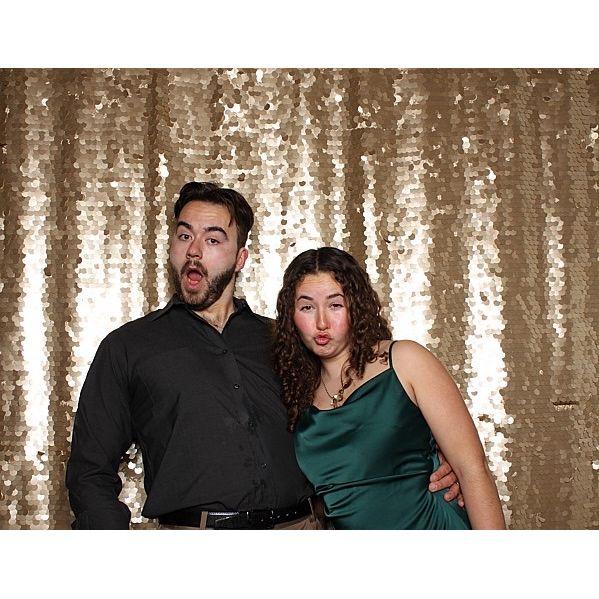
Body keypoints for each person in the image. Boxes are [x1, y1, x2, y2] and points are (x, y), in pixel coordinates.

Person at [66, 182, 462, 529]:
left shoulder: (290, 341)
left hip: (302, 532)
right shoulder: (128, 347)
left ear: (240, 258)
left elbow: (362, 415)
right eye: (184, 236)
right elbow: (90, 472)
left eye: (213, 240)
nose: (194, 251)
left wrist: (436, 456)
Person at [274, 246, 506, 529]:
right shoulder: (297, 394)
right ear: (291, 316)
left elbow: (472, 469)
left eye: (335, 305)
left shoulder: (405, 361)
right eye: (307, 307)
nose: (321, 322)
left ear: (356, 306)